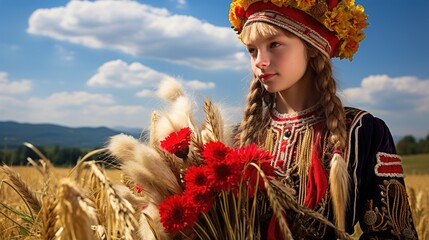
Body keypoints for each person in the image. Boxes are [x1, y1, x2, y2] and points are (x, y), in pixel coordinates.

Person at [229, 0, 418, 239]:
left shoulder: (361, 130)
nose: (260, 62)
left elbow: (395, 233)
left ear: (310, 46)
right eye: (252, 50)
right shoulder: (238, 137)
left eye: (275, 44)